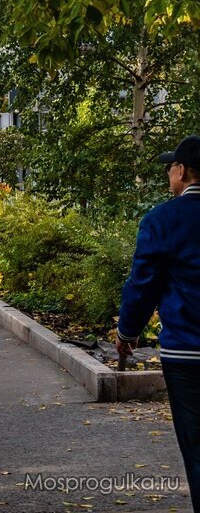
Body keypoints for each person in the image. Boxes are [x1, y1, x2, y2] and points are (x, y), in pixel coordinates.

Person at [116, 135, 200, 511]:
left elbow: (143, 284)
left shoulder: (163, 220)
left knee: (197, 447)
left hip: (187, 352)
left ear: (181, 171)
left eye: (171, 167)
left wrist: (127, 333)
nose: (169, 172)